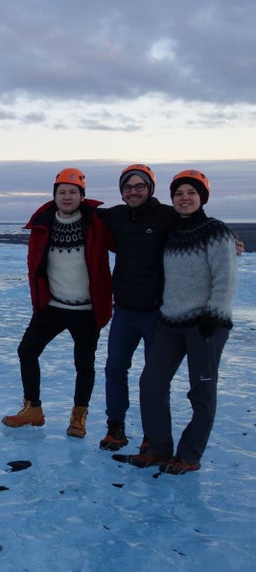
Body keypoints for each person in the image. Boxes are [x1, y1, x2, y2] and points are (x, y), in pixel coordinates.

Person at [115, 170, 237, 474]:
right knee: (151, 384)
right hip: (169, 322)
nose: (184, 198)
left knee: (202, 392)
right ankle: (158, 450)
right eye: (179, 194)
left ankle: (189, 456)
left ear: (202, 197)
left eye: (191, 193)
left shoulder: (216, 231)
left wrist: (215, 314)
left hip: (206, 325)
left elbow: (226, 277)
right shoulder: (172, 232)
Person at [2, 168, 112, 437]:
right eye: (62, 191)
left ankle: (78, 417)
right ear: (54, 195)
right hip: (52, 306)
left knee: (84, 364)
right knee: (27, 351)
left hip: (86, 309)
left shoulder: (98, 222)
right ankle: (33, 410)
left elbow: (135, 241)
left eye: (73, 191)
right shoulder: (44, 223)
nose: (67, 196)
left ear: (82, 196)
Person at [95, 164, 178, 451]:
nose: (133, 192)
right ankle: (115, 428)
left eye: (139, 186)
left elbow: (198, 225)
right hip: (125, 313)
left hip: (157, 313)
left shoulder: (167, 216)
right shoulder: (116, 216)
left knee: (154, 378)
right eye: (128, 187)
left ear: (150, 189)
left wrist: (224, 239)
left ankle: (152, 435)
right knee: (115, 369)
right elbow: (79, 212)